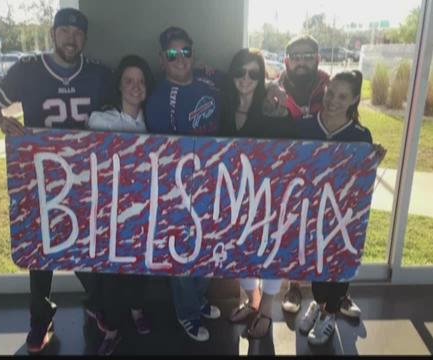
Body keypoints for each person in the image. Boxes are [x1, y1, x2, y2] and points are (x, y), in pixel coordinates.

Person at [0, 8, 112, 354]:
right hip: (41, 176)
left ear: (85, 38)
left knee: (87, 247)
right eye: (65, 31)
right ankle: (41, 318)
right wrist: (2, 122)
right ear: (53, 34)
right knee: (40, 252)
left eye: (78, 32)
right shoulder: (27, 70)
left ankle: (96, 304)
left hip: (86, 178)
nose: (72, 38)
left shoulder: (99, 74)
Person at [144, 26, 222, 342]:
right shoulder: (161, 98)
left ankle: (199, 301)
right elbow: (164, 153)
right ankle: (186, 313)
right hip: (180, 189)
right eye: (172, 53)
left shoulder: (209, 81)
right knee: (183, 254)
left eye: (185, 51)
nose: (180, 59)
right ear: (162, 59)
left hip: (215, 180)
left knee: (209, 248)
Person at [290, 70, 377, 346]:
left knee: (337, 263)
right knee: (316, 261)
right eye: (330, 93)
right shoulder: (305, 126)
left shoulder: (361, 136)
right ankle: (318, 304)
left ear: (354, 100)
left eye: (342, 96)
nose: (333, 101)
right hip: (310, 209)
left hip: (342, 215)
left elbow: (361, 180)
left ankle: (329, 313)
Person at [84, 55, 155, 354]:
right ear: (119, 85)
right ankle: (112, 329)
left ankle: (137, 311)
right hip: (107, 211)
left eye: (140, 81)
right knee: (110, 272)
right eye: (129, 80)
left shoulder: (153, 120)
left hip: (142, 208)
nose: (135, 87)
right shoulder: (101, 120)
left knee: (139, 265)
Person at [220, 48, 293, 339]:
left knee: (271, 248)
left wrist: (282, 108)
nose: (246, 78)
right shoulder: (223, 106)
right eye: (240, 72)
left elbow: (293, 146)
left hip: (268, 195)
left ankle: (267, 310)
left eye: (254, 73)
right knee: (241, 246)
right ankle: (252, 301)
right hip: (232, 194)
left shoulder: (272, 108)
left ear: (262, 76)